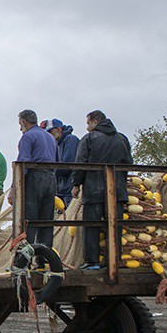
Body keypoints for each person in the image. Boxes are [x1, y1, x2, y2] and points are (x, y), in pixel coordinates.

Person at [71, 110, 133, 269]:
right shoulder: (122, 139)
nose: (86, 128)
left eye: (88, 123)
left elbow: (81, 163)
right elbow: (129, 163)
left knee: (91, 226)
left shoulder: (89, 139)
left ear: (95, 122)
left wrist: (76, 184)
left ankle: (92, 262)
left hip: (94, 191)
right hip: (117, 192)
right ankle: (113, 261)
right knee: (114, 226)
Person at [7, 110, 58, 249]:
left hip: (35, 178)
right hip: (51, 178)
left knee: (28, 220)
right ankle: (44, 259)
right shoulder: (50, 138)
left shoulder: (27, 137)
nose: (20, 128)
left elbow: (23, 163)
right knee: (46, 220)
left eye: (20, 124)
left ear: (24, 122)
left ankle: (25, 259)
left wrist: (13, 189)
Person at [40, 119, 80, 208]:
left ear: (58, 129)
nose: (49, 134)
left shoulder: (70, 140)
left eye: (50, 131)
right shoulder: (59, 144)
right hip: (63, 189)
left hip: (70, 187)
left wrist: (49, 171)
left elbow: (68, 165)